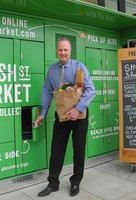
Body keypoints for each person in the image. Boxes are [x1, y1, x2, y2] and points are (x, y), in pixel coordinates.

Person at [35, 38, 95, 197]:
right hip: (61, 117)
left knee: (78, 150)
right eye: (60, 50)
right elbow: (47, 92)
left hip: (79, 117)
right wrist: (43, 113)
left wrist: (77, 109)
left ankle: (76, 182)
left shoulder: (79, 67)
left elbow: (90, 90)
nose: (63, 53)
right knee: (56, 150)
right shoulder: (52, 70)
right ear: (57, 51)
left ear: (70, 51)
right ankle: (53, 183)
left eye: (65, 50)